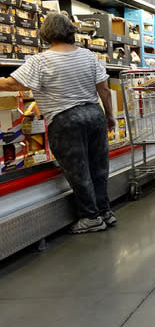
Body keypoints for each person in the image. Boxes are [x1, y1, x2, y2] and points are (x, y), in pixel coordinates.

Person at [0, 12, 116, 233]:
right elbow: (104, 89)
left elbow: (14, 85)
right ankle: (105, 212)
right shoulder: (88, 56)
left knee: (78, 171)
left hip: (66, 120)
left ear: (45, 34)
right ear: (70, 31)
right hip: (94, 115)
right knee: (99, 169)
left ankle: (90, 217)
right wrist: (109, 116)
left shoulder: (40, 60)